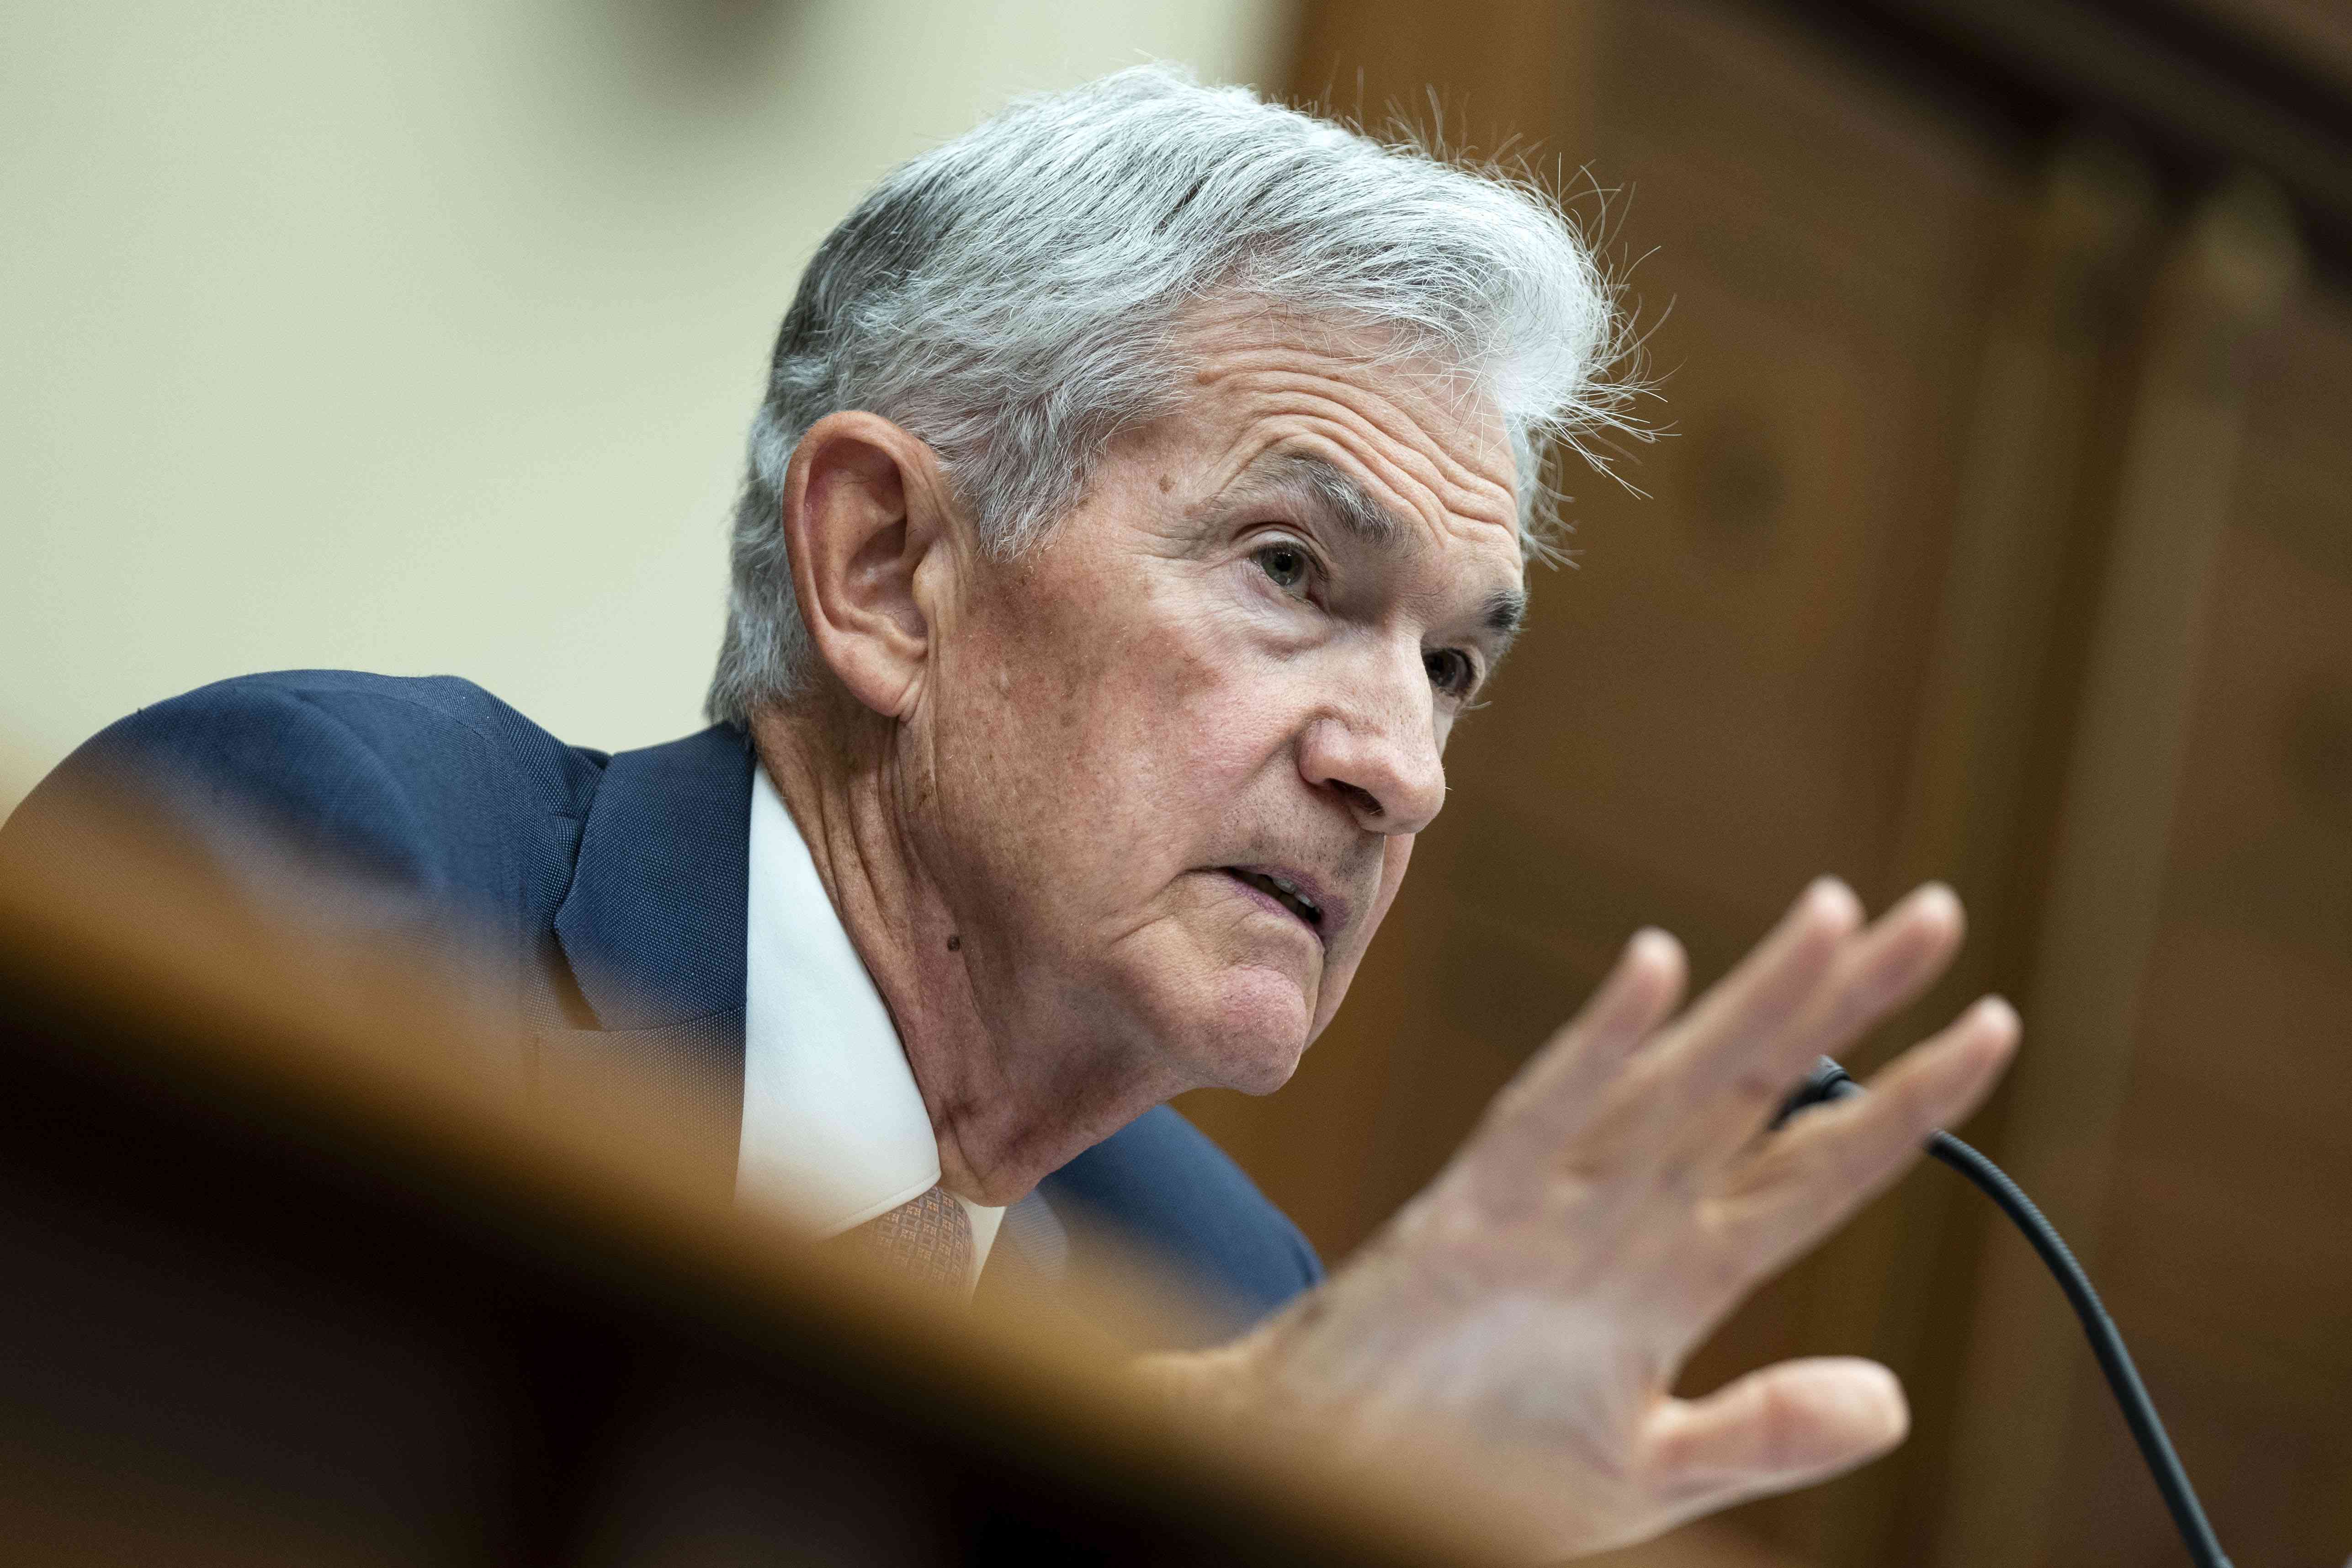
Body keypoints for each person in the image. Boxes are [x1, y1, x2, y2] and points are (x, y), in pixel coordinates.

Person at [6, 66, 2018, 1556]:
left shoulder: (1229, 1295)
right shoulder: (321, 877)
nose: (1396, 764)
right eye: (1294, 575)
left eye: (1452, 663)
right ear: (885, 568)